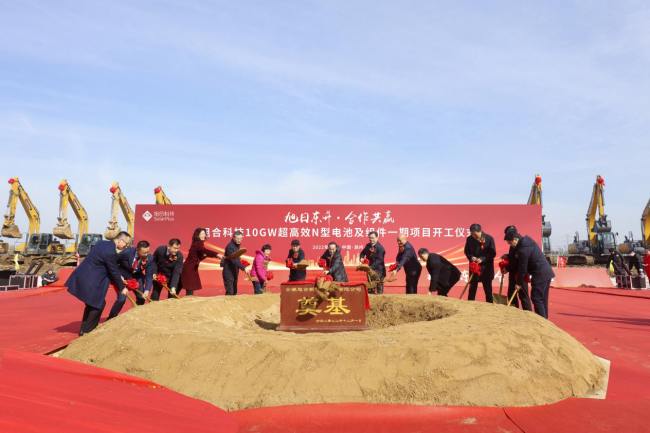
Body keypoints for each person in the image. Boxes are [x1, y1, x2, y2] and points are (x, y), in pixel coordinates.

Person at [66, 231, 131, 336]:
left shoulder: (102, 243)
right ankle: (88, 332)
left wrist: (119, 276)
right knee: (98, 304)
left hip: (84, 275)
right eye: (126, 243)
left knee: (91, 304)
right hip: (90, 280)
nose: (126, 246)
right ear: (120, 240)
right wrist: (122, 288)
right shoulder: (111, 252)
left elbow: (110, 267)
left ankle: (83, 331)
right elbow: (113, 271)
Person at [505, 227, 555, 319]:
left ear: (515, 239)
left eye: (510, 243)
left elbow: (522, 268)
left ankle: (541, 321)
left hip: (540, 274)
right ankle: (545, 321)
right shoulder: (527, 241)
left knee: (537, 298)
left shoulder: (522, 249)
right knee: (543, 300)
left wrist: (519, 283)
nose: (511, 245)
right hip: (547, 272)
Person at [108, 240, 154, 320]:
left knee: (141, 297)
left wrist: (147, 290)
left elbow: (149, 276)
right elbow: (114, 263)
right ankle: (111, 318)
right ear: (137, 250)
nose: (146, 254)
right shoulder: (126, 252)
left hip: (137, 277)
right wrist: (119, 275)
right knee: (121, 300)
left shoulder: (150, 258)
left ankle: (136, 317)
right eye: (144, 253)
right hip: (122, 277)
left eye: (148, 252)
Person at [179, 228, 223, 297]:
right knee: (189, 287)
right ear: (197, 235)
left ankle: (172, 298)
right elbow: (205, 251)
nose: (203, 235)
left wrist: (208, 256)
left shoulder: (198, 244)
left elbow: (202, 254)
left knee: (183, 286)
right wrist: (217, 254)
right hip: (189, 268)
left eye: (204, 234)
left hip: (191, 268)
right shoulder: (198, 244)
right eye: (201, 234)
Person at [501, 225, 532, 311]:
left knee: (523, 296)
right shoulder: (512, 242)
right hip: (513, 272)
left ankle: (528, 313)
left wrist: (507, 268)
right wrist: (507, 256)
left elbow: (518, 260)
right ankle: (514, 312)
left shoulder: (521, 244)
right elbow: (514, 256)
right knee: (511, 294)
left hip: (521, 272)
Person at [463, 223, 496, 303]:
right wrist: (471, 257)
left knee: (488, 290)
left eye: (475, 234)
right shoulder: (469, 239)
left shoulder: (489, 238)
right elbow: (466, 251)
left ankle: (489, 305)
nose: (473, 236)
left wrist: (483, 259)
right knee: (472, 288)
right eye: (472, 234)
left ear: (480, 231)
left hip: (486, 268)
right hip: (474, 268)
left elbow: (492, 253)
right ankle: (470, 303)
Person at [223, 231, 251, 296]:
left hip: (234, 272)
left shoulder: (236, 246)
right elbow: (234, 260)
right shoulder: (230, 247)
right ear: (233, 238)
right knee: (230, 293)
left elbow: (237, 258)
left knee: (234, 292)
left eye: (240, 238)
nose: (239, 240)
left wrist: (243, 263)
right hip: (229, 273)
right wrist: (244, 268)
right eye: (237, 238)